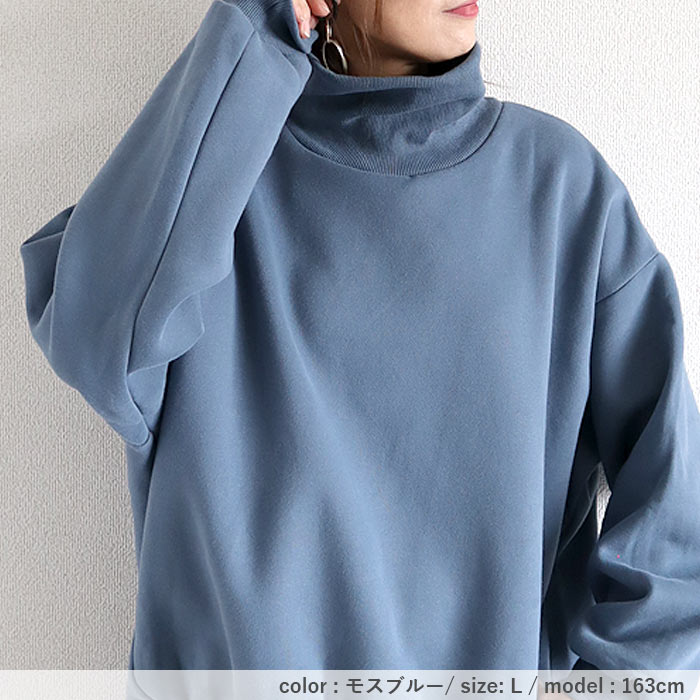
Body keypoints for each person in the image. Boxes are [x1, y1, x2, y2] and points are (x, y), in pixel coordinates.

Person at [19, 0, 700, 677]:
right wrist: (252, 29)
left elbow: (677, 531)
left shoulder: (560, 190)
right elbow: (92, 339)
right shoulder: (217, 187)